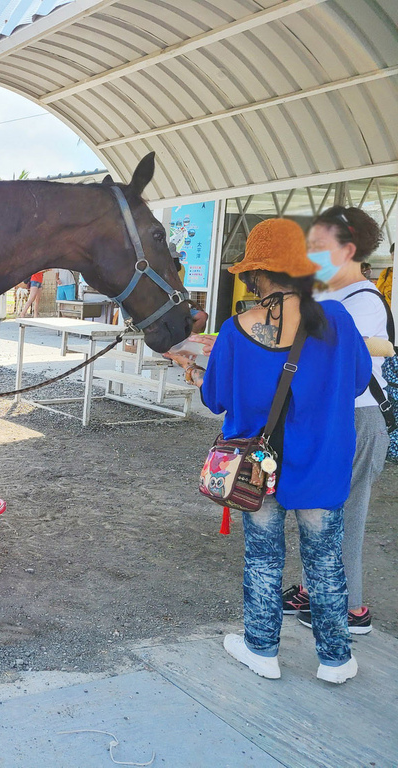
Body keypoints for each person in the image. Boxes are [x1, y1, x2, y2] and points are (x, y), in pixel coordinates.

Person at [191, 218, 370, 684]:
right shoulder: (339, 322)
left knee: (263, 558)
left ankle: (262, 651)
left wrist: (196, 372)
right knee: (325, 561)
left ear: (255, 275)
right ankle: (335, 660)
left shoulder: (235, 330)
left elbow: (215, 399)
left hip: (257, 472)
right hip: (321, 466)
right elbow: (355, 382)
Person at [281, 207, 388, 635]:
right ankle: (315, 587)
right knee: (321, 508)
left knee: (346, 513)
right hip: (329, 420)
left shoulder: (364, 302)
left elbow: (349, 354)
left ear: (348, 250)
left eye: (319, 248)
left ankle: (351, 608)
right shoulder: (329, 297)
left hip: (358, 420)